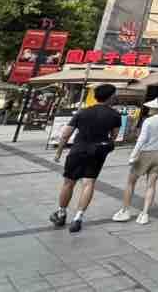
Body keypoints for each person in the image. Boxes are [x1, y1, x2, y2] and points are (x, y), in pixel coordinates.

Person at [51, 84, 120, 233]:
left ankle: (61, 213)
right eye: (115, 95)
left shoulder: (82, 112)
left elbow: (66, 134)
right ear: (110, 97)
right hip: (97, 153)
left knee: (69, 183)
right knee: (89, 183)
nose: (116, 97)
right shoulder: (115, 115)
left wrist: (58, 153)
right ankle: (78, 218)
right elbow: (114, 136)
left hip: (77, 151)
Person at [112, 98, 158, 225]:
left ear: (156, 108)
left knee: (130, 182)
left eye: (151, 107)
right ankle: (144, 213)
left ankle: (125, 210)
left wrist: (132, 156)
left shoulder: (148, 121)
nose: (149, 109)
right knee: (151, 185)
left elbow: (141, 139)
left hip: (145, 153)